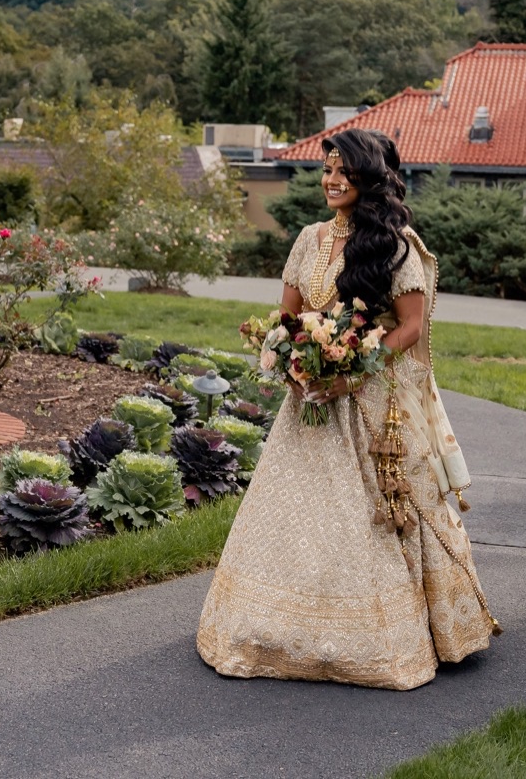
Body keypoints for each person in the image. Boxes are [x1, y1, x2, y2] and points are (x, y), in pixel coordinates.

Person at [197, 128, 498, 690]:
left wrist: (351, 369)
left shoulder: (394, 242)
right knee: (291, 516)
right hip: (308, 401)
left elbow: (409, 326)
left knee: (375, 515)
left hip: (369, 401)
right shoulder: (309, 239)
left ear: (368, 179)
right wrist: (292, 358)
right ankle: (269, 627)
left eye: (344, 172)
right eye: (327, 170)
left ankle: (393, 636)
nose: (331, 181)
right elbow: (285, 315)